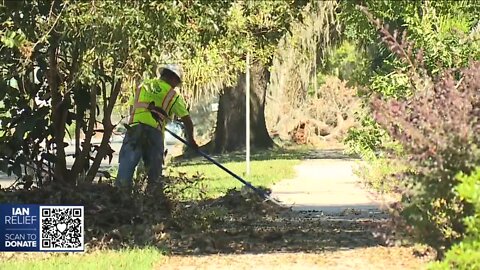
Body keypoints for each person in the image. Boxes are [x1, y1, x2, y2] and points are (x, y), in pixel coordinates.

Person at [116, 64, 198, 190]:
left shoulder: (143, 86)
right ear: (173, 79)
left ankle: (120, 197)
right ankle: (153, 201)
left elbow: (133, 107)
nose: (176, 86)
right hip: (154, 133)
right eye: (177, 83)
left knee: (126, 167)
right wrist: (191, 140)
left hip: (134, 129)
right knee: (154, 174)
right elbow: (186, 119)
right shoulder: (172, 94)